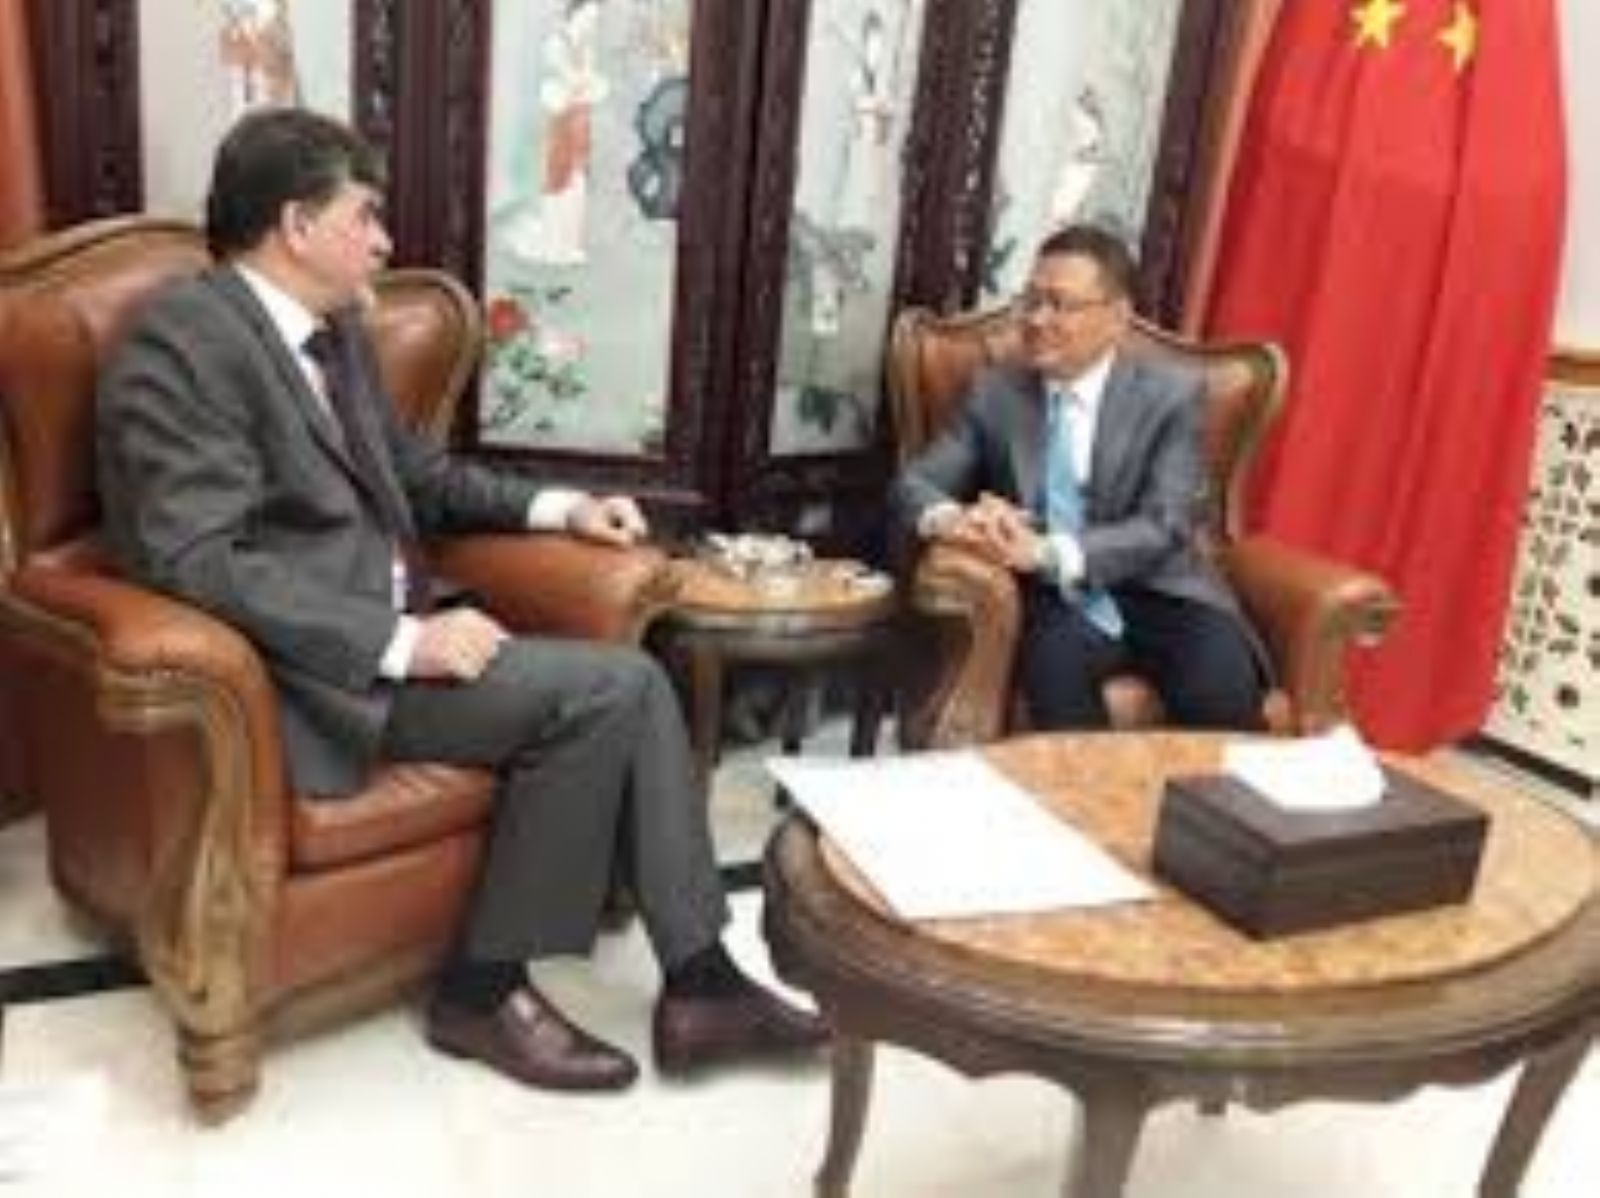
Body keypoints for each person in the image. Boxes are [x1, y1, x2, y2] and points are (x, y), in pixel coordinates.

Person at [95, 107, 825, 1094]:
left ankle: (700, 984)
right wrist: (402, 642)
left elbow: (419, 475)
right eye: (364, 215)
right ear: (296, 225)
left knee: (627, 684)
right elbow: (198, 559)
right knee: (613, 691)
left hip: (387, 637)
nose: (384, 241)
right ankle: (489, 991)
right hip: (305, 680)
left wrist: (562, 508)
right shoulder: (182, 343)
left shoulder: (331, 334)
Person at [893, 223, 1266, 730]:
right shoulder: (995, 395)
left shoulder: (1171, 397)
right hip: (1057, 603)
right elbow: (916, 484)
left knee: (1220, 685)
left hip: (1161, 589)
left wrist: (1047, 552)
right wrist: (956, 520)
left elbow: (1166, 523)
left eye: (1060, 304)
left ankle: (1202, 787)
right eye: (1031, 300)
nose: (1037, 319)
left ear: (1117, 317)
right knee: (1054, 672)